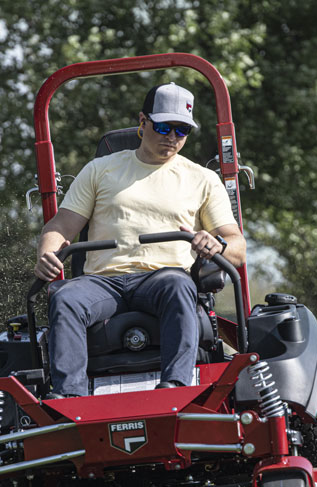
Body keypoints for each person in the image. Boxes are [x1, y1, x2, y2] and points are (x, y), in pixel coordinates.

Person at [34, 82, 246, 398]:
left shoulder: (202, 179)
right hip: (103, 283)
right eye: (163, 126)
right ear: (142, 122)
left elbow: (236, 244)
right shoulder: (100, 170)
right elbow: (61, 225)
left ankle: (174, 387)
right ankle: (69, 398)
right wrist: (47, 253)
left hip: (164, 279)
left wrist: (218, 246)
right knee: (65, 297)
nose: (172, 137)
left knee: (178, 285)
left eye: (181, 130)